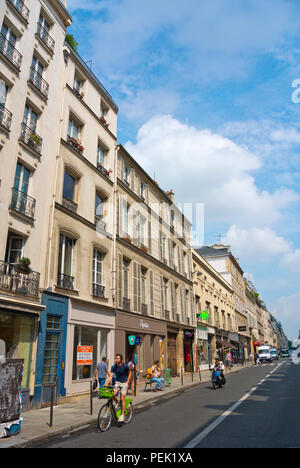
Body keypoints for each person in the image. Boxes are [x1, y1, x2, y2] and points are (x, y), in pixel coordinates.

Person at [106, 354, 131, 423]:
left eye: (118, 358)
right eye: (116, 358)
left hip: (124, 382)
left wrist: (128, 381)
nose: (116, 360)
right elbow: (110, 376)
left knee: (122, 398)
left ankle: (122, 415)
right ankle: (117, 401)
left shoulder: (125, 366)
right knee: (113, 394)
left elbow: (129, 373)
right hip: (117, 382)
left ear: (121, 359)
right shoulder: (114, 367)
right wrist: (106, 384)